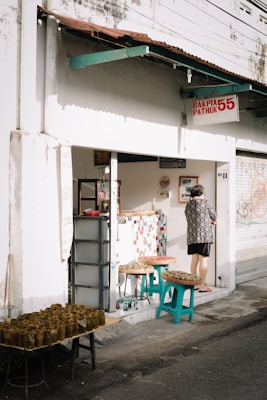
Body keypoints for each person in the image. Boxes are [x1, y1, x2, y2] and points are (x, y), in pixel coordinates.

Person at [184, 184, 216, 292]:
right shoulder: (206, 203)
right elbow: (214, 216)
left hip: (192, 236)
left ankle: (195, 284)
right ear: (201, 193)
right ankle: (202, 285)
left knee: (194, 260)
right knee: (203, 260)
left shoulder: (188, 205)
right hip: (204, 236)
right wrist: (212, 221)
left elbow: (190, 218)